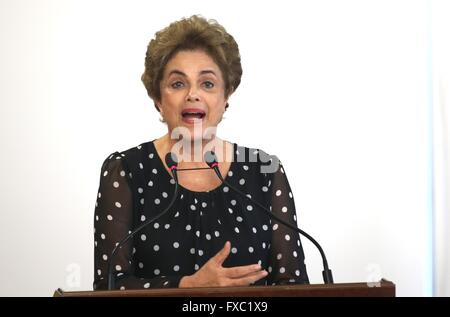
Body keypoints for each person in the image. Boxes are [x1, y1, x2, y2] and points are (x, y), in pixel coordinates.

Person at [93, 15, 309, 290]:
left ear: (226, 95)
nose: (193, 94)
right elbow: (109, 288)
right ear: (158, 97)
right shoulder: (126, 171)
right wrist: (185, 287)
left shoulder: (264, 170)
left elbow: (295, 285)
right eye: (177, 84)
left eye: (207, 83)